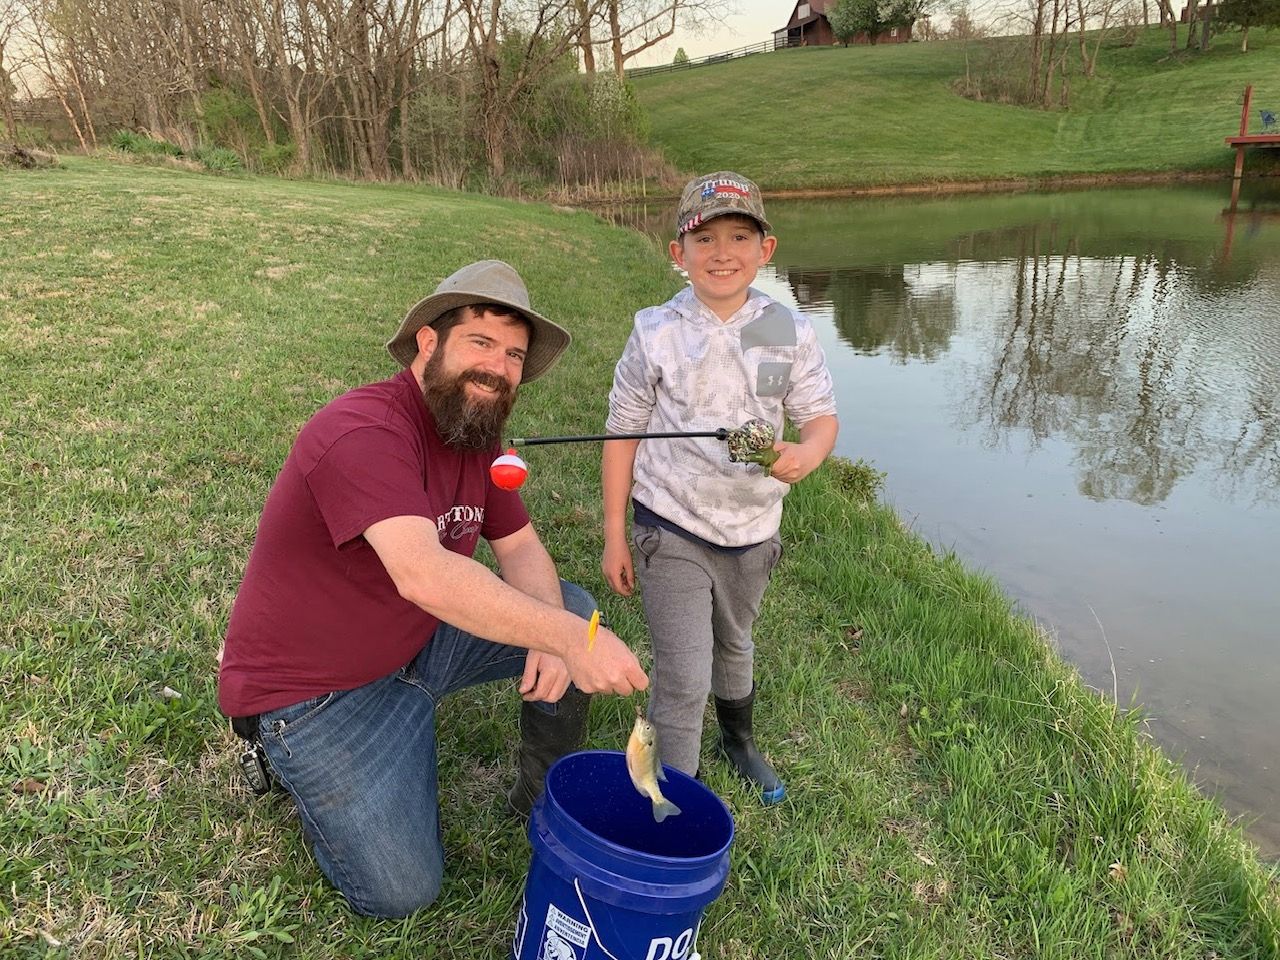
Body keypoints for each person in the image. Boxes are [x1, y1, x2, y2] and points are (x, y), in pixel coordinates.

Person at [218, 260, 648, 918]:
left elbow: (521, 546)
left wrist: (560, 633)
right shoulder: (363, 431)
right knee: (401, 892)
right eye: (480, 343)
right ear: (428, 341)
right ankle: (283, 759)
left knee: (574, 611)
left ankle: (537, 799)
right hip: (314, 698)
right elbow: (425, 573)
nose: (498, 368)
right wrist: (561, 638)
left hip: (411, 644)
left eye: (513, 355)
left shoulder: (472, 430)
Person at [601, 172, 838, 804]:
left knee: (736, 642)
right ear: (678, 254)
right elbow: (622, 431)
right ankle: (674, 793)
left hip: (753, 529)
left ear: (767, 249)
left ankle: (739, 742)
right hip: (668, 523)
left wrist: (808, 451)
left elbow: (819, 416)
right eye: (704, 238)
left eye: (740, 236)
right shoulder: (655, 330)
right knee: (682, 671)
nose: (722, 252)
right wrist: (615, 532)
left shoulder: (787, 331)